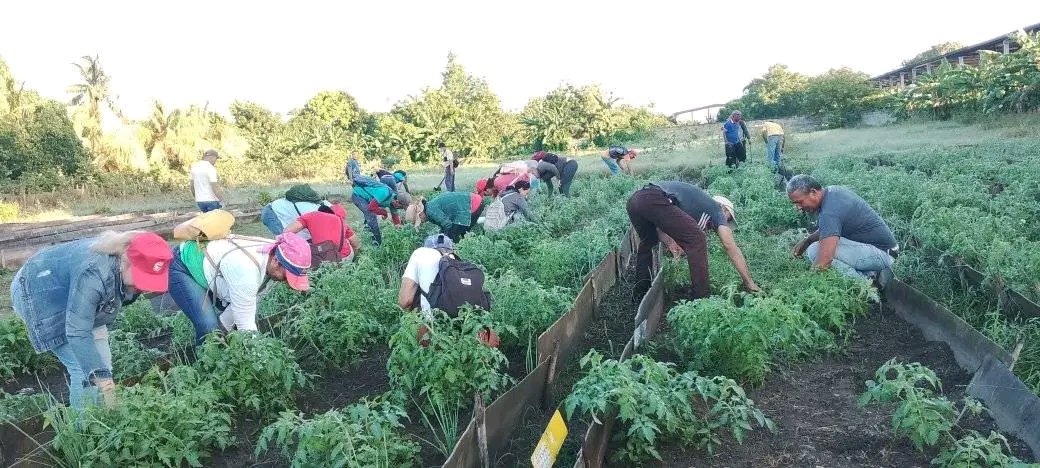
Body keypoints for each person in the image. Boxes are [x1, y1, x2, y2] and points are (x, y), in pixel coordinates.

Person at [9, 231, 173, 408]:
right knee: (83, 370)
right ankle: (83, 431)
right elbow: (78, 331)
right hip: (39, 292)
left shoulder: (119, 271)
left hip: (74, 292)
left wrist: (103, 376)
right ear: (127, 260)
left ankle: (101, 417)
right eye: (142, 277)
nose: (143, 287)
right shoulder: (94, 274)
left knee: (103, 367)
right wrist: (98, 375)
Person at [166, 232, 312, 343]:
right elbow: (245, 324)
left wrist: (223, 330)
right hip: (183, 266)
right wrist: (262, 358)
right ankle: (205, 373)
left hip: (211, 266)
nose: (287, 282)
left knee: (220, 330)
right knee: (208, 327)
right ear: (276, 261)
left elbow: (246, 302)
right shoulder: (246, 269)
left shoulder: (274, 255)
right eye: (288, 276)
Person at [626, 181, 761, 300]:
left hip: (635, 200)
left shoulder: (692, 205)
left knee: (648, 243)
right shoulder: (716, 210)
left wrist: (670, 242)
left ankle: (640, 294)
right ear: (724, 208)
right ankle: (701, 297)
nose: (726, 223)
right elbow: (730, 247)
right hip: (652, 198)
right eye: (729, 218)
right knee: (698, 239)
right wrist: (749, 282)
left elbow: (660, 226)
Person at [787, 174, 897, 286]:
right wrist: (807, 241)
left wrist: (804, 285)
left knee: (815, 251)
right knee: (817, 246)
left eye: (800, 202)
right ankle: (869, 273)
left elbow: (824, 261)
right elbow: (828, 230)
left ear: (813, 192)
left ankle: (866, 286)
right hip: (881, 249)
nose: (798, 208)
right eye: (795, 204)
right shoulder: (832, 193)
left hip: (884, 255)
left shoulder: (829, 212)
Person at [283, 202, 360, 265]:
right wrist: (356, 258)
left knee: (311, 245)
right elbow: (355, 243)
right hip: (345, 257)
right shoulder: (342, 222)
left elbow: (287, 232)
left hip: (324, 260)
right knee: (347, 240)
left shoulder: (312, 215)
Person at [405, 191, 485, 242]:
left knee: (455, 234)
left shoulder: (430, 211)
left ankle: (462, 251)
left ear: (420, 214)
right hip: (473, 201)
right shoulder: (429, 207)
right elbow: (444, 224)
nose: (422, 222)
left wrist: (443, 239)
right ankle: (465, 247)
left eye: (420, 221)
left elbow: (447, 224)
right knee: (460, 232)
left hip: (473, 203)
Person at [352, 177, 406, 245]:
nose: (400, 209)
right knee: (371, 215)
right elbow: (371, 208)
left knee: (370, 216)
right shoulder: (384, 193)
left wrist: (398, 228)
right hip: (359, 195)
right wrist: (384, 212)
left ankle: (366, 230)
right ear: (397, 202)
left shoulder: (394, 201)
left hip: (369, 198)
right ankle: (377, 243)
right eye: (401, 207)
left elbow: (395, 215)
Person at [260, 184, 325, 238]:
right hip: (271, 212)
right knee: (285, 239)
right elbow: (299, 226)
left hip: (287, 211)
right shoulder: (311, 211)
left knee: (299, 237)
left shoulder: (325, 206)